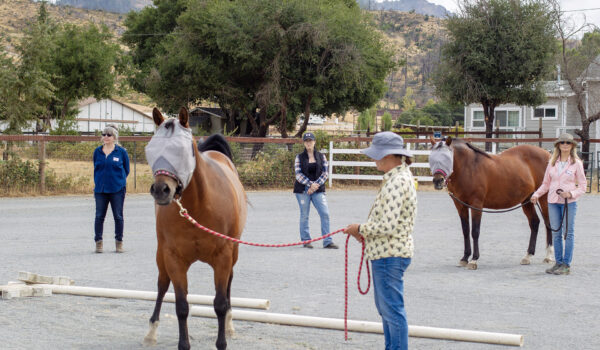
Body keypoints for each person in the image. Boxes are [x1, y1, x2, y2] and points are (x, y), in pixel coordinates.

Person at [344, 131, 417, 350]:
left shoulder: (397, 182)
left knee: (392, 311)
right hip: (389, 253)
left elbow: (386, 225)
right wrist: (363, 233)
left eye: (376, 155)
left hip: (389, 255)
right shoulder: (400, 178)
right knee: (388, 310)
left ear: (387, 156)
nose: (374, 159)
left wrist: (360, 228)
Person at [531, 133, 587, 275]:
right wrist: (536, 195)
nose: (565, 145)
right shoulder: (552, 163)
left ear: (572, 145)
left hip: (569, 203)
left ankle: (566, 265)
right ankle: (558, 262)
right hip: (553, 202)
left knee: (568, 233)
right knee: (555, 233)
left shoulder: (576, 163)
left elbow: (583, 186)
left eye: (568, 143)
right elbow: (546, 184)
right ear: (558, 145)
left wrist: (571, 194)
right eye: (562, 142)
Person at [293, 132, 338, 249]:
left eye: (310, 140)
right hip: (303, 190)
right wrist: (310, 184)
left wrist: (315, 185)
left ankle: (327, 241)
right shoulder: (299, 157)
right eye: (306, 141)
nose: (308, 143)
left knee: (325, 213)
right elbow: (298, 174)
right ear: (304, 143)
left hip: (317, 189)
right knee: (304, 215)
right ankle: (306, 241)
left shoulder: (321, 156)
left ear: (314, 142)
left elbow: (325, 173)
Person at [93, 124, 130, 253]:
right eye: (104, 135)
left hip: (117, 189)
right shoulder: (97, 152)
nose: (106, 137)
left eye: (109, 135)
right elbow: (96, 169)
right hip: (100, 190)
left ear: (114, 137)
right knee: (99, 216)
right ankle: (98, 242)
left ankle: (119, 243)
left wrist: (119, 181)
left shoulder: (121, 152)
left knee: (118, 216)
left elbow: (127, 170)